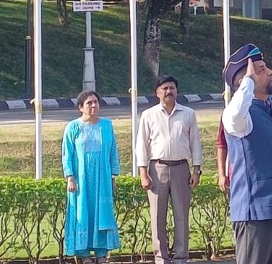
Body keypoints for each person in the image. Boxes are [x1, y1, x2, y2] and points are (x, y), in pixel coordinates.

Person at [222, 44, 272, 263]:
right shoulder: (240, 115)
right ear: (244, 80)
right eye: (262, 69)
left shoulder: (269, 110)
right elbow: (235, 114)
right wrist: (249, 81)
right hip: (256, 212)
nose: (271, 72)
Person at [135, 75, 203, 264]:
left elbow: (195, 142)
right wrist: (143, 173)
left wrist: (197, 170)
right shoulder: (149, 115)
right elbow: (141, 145)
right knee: (158, 217)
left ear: (177, 91)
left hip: (181, 168)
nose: (168, 91)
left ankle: (181, 257)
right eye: (164, 88)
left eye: (172, 88)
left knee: (182, 216)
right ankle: (161, 258)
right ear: (157, 93)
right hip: (157, 169)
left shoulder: (188, 113)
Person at [63, 91, 121, 264]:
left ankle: (102, 253)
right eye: (89, 103)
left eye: (96, 102)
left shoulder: (106, 126)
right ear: (81, 107)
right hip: (81, 180)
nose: (94, 106)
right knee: (82, 212)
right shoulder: (73, 127)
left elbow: (113, 153)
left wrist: (113, 177)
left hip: (102, 179)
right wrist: (70, 177)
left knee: (101, 213)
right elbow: (67, 154)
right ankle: (84, 254)